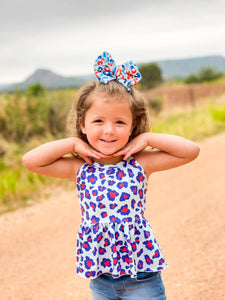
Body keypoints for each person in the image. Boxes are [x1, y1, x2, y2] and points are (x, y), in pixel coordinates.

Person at [23, 51, 200, 300]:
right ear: (83, 124)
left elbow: (191, 151)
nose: (108, 130)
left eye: (119, 122)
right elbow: (30, 161)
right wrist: (73, 144)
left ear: (133, 126)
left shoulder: (139, 164)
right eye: (98, 121)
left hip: (142, 278)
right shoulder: (80, 167)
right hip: (101, 280)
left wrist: (147, 139)